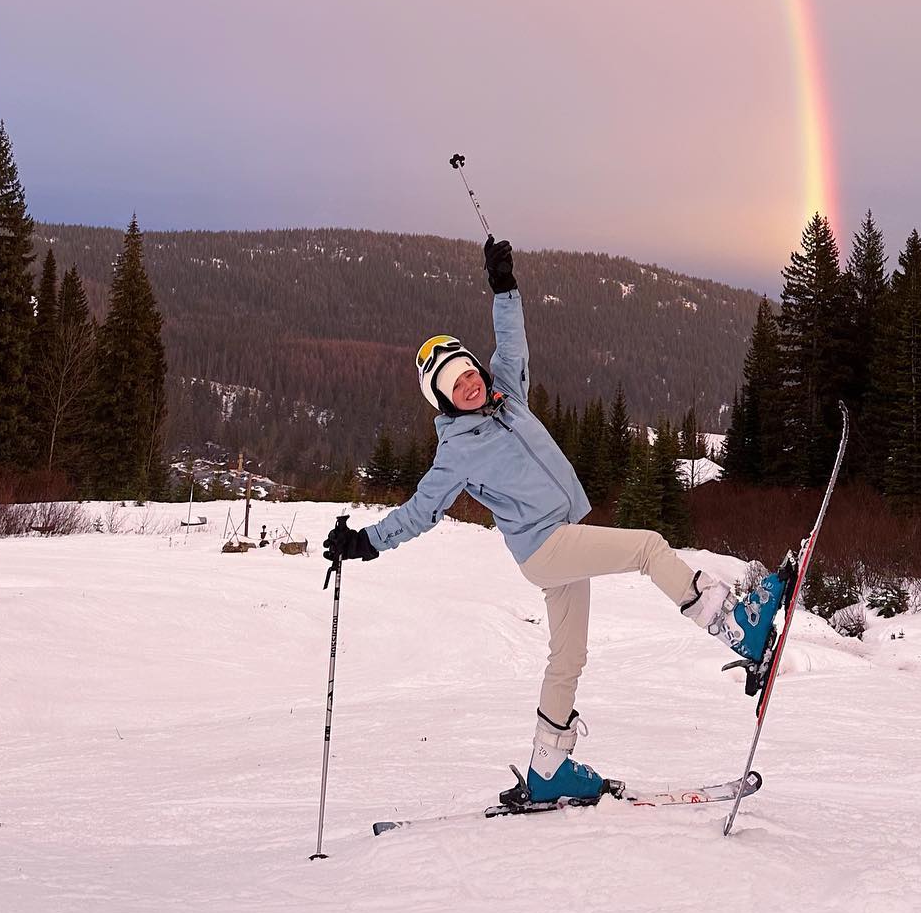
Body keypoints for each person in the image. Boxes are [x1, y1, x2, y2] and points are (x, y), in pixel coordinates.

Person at [323, 235, 790, 804]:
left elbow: (512, 338)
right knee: (647, 548)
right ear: (442, 402)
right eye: (455, 386)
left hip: (558, 543)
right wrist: (365, 542)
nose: (470, 385)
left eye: (468, 373)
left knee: (568, 656)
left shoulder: (508, 393)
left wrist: (504, 286)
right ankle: (736, 627)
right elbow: (421, 512)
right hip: (545, 547)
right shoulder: (456, 451)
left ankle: (547, 769)